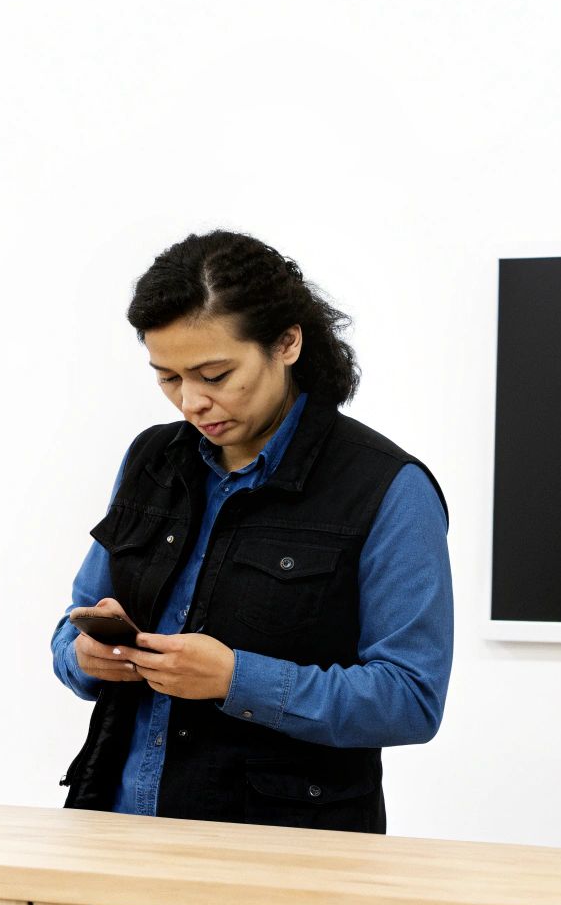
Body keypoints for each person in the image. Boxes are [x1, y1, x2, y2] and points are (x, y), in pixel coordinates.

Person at [51, 230, 453, 834]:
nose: (191, 402)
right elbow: (72, 625)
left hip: (284, 857)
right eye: (168, 377)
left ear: (287, 342)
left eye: (215, 374)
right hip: (112, 832)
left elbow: (411, 698)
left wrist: (237, 680)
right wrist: (84, 655)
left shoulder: (388, 487)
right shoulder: (150, 459)